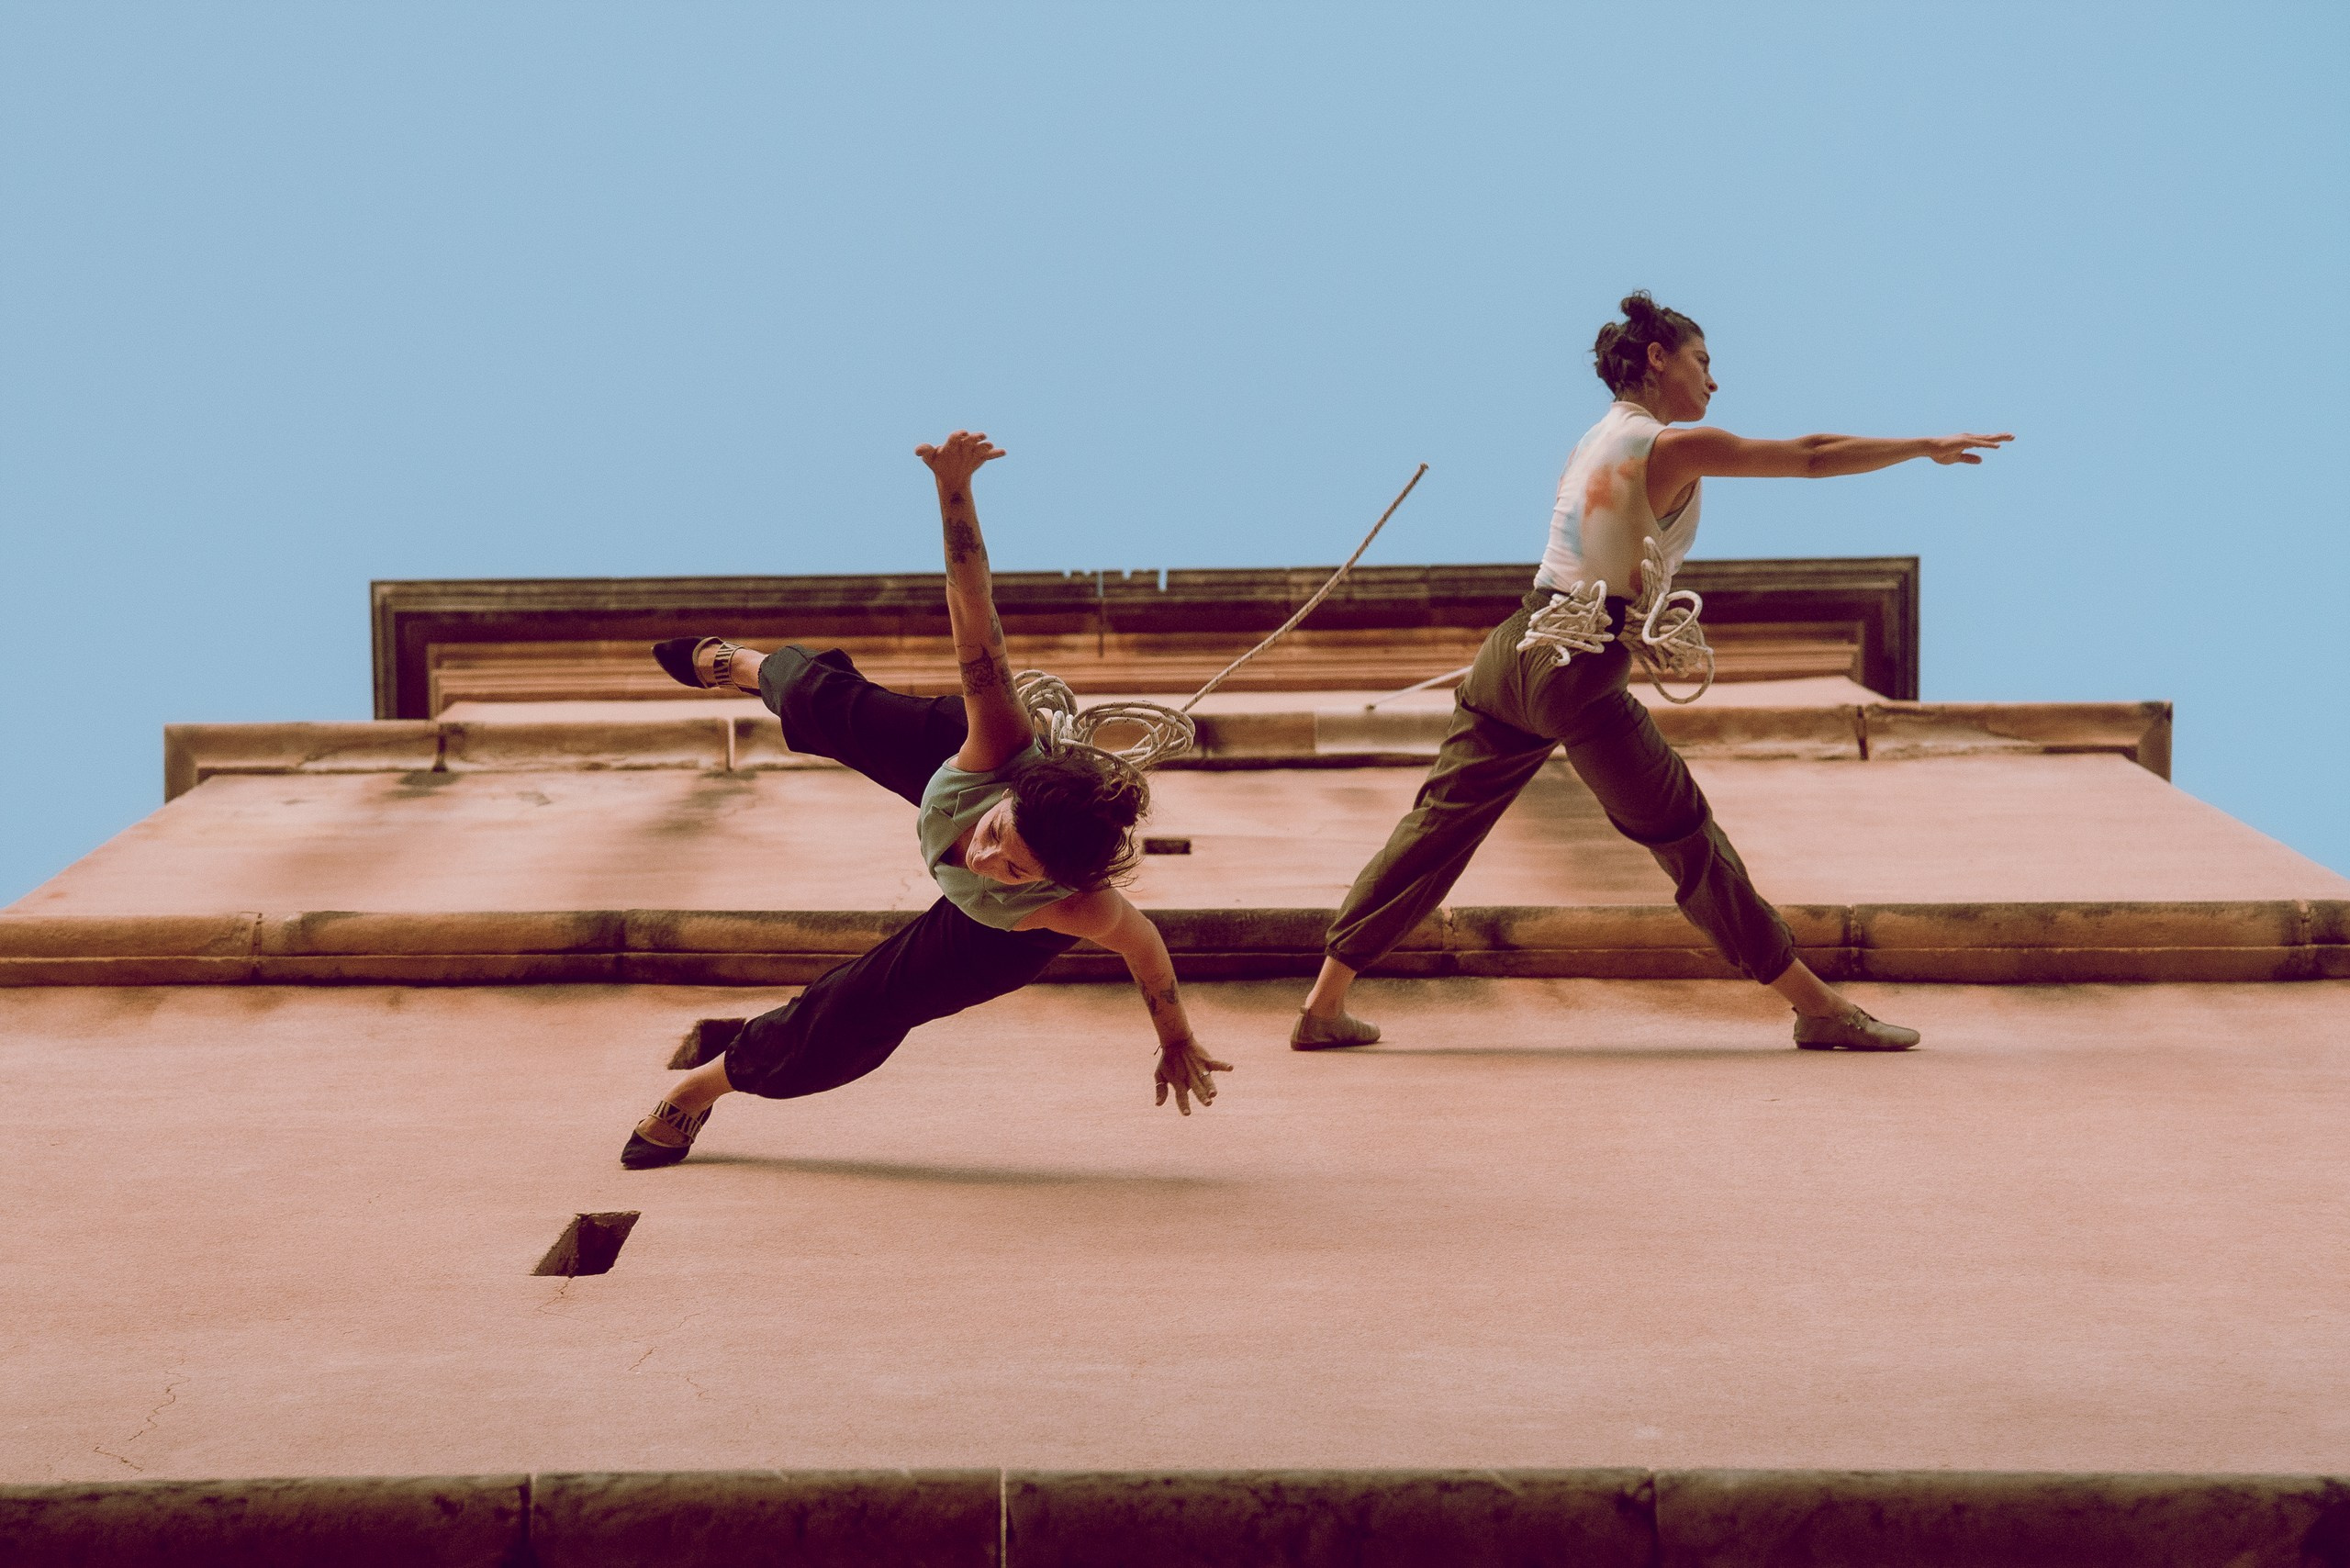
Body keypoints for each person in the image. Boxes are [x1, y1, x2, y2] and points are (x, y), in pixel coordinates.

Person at [1292, 292, 2011, 1054]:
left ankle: (1324, 1004)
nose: (1714, 381)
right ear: (1660, 359)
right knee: (1687, 838)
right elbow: (1808, 454)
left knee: (1434, 830)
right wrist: (1922, 443)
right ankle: (1818, 1007)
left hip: (1511, 652)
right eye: (1704, 361)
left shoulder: (1590, 442)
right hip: (1579, 665)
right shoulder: (1671, 447)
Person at [621, 430, 1233, 1169]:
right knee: (832, 703)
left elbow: (1147, 950)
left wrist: (1174, 1038)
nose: (983, 856)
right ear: (1013, 794)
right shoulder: (1001, 747)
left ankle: (698, 1092)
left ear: (1051, 885)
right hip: (964, 769)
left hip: (995, 938)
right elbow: (973, 607)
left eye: (1011, 868)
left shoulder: (1076, 908)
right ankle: (741, 664)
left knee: (856, 1011)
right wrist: (954, 488)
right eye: (998, 834)